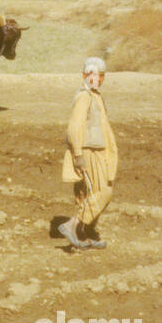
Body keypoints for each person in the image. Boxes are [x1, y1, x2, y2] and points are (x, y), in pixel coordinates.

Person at [60, 57, 117, 250]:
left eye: (101, 75)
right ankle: (72, 225)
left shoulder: (95, 96)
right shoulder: (84, 96)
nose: (97, 79)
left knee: (90, 194)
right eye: (93, 74)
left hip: (100, 152)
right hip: (88, 152)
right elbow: (74, 126)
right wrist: (78, 155)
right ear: (84, 75)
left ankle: (83, 235)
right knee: (103, 192)